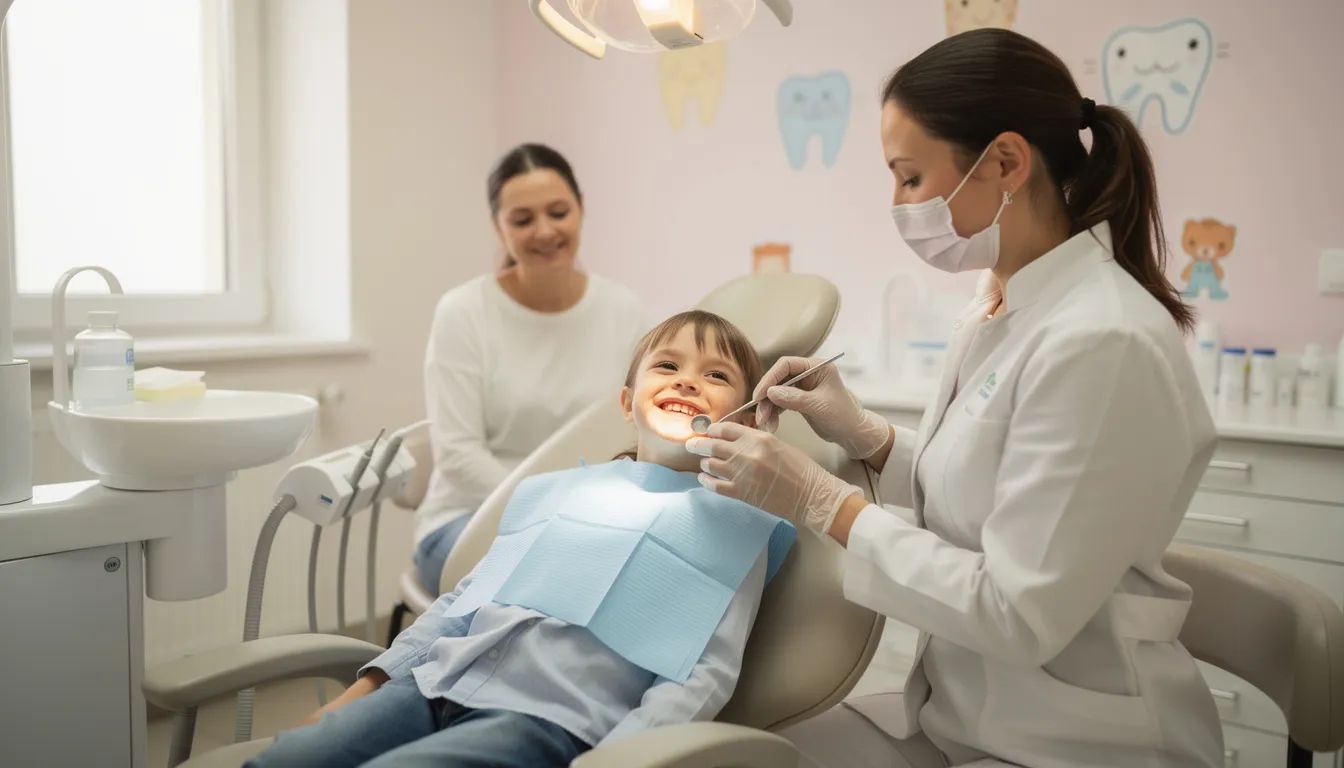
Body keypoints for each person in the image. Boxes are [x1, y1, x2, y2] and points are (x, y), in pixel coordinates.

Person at [687, 29, 1224, 768]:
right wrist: (867, 436)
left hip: (1075, 740)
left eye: (910, 178)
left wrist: (822, 501)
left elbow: (1016, 611)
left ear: (1005, 161)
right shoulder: (1001, 303)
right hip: (963, 714)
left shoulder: (1105, 341)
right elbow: (993, 491)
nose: (899, 204)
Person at [247, 311, 789, 768]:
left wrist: (616, 759)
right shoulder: (562, 492)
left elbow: (702, 676)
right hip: (435, 681)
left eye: (715, 377)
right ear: (627, 402)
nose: (687, 381)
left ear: (746, 421)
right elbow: (461, 604)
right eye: (667, 366)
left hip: (547, 719)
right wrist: (365, 690)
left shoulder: (733, 530)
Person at [414, 143, 646, 593]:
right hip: (470, 520)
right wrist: (555, 510)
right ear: (498, 228)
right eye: (522, 220)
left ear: (580, 210)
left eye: (558, 212)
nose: (544, 231)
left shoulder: (624, 310)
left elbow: (641, 430)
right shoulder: (464, 312)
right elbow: (460, 457)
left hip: (589, 522)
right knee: (566, 585)